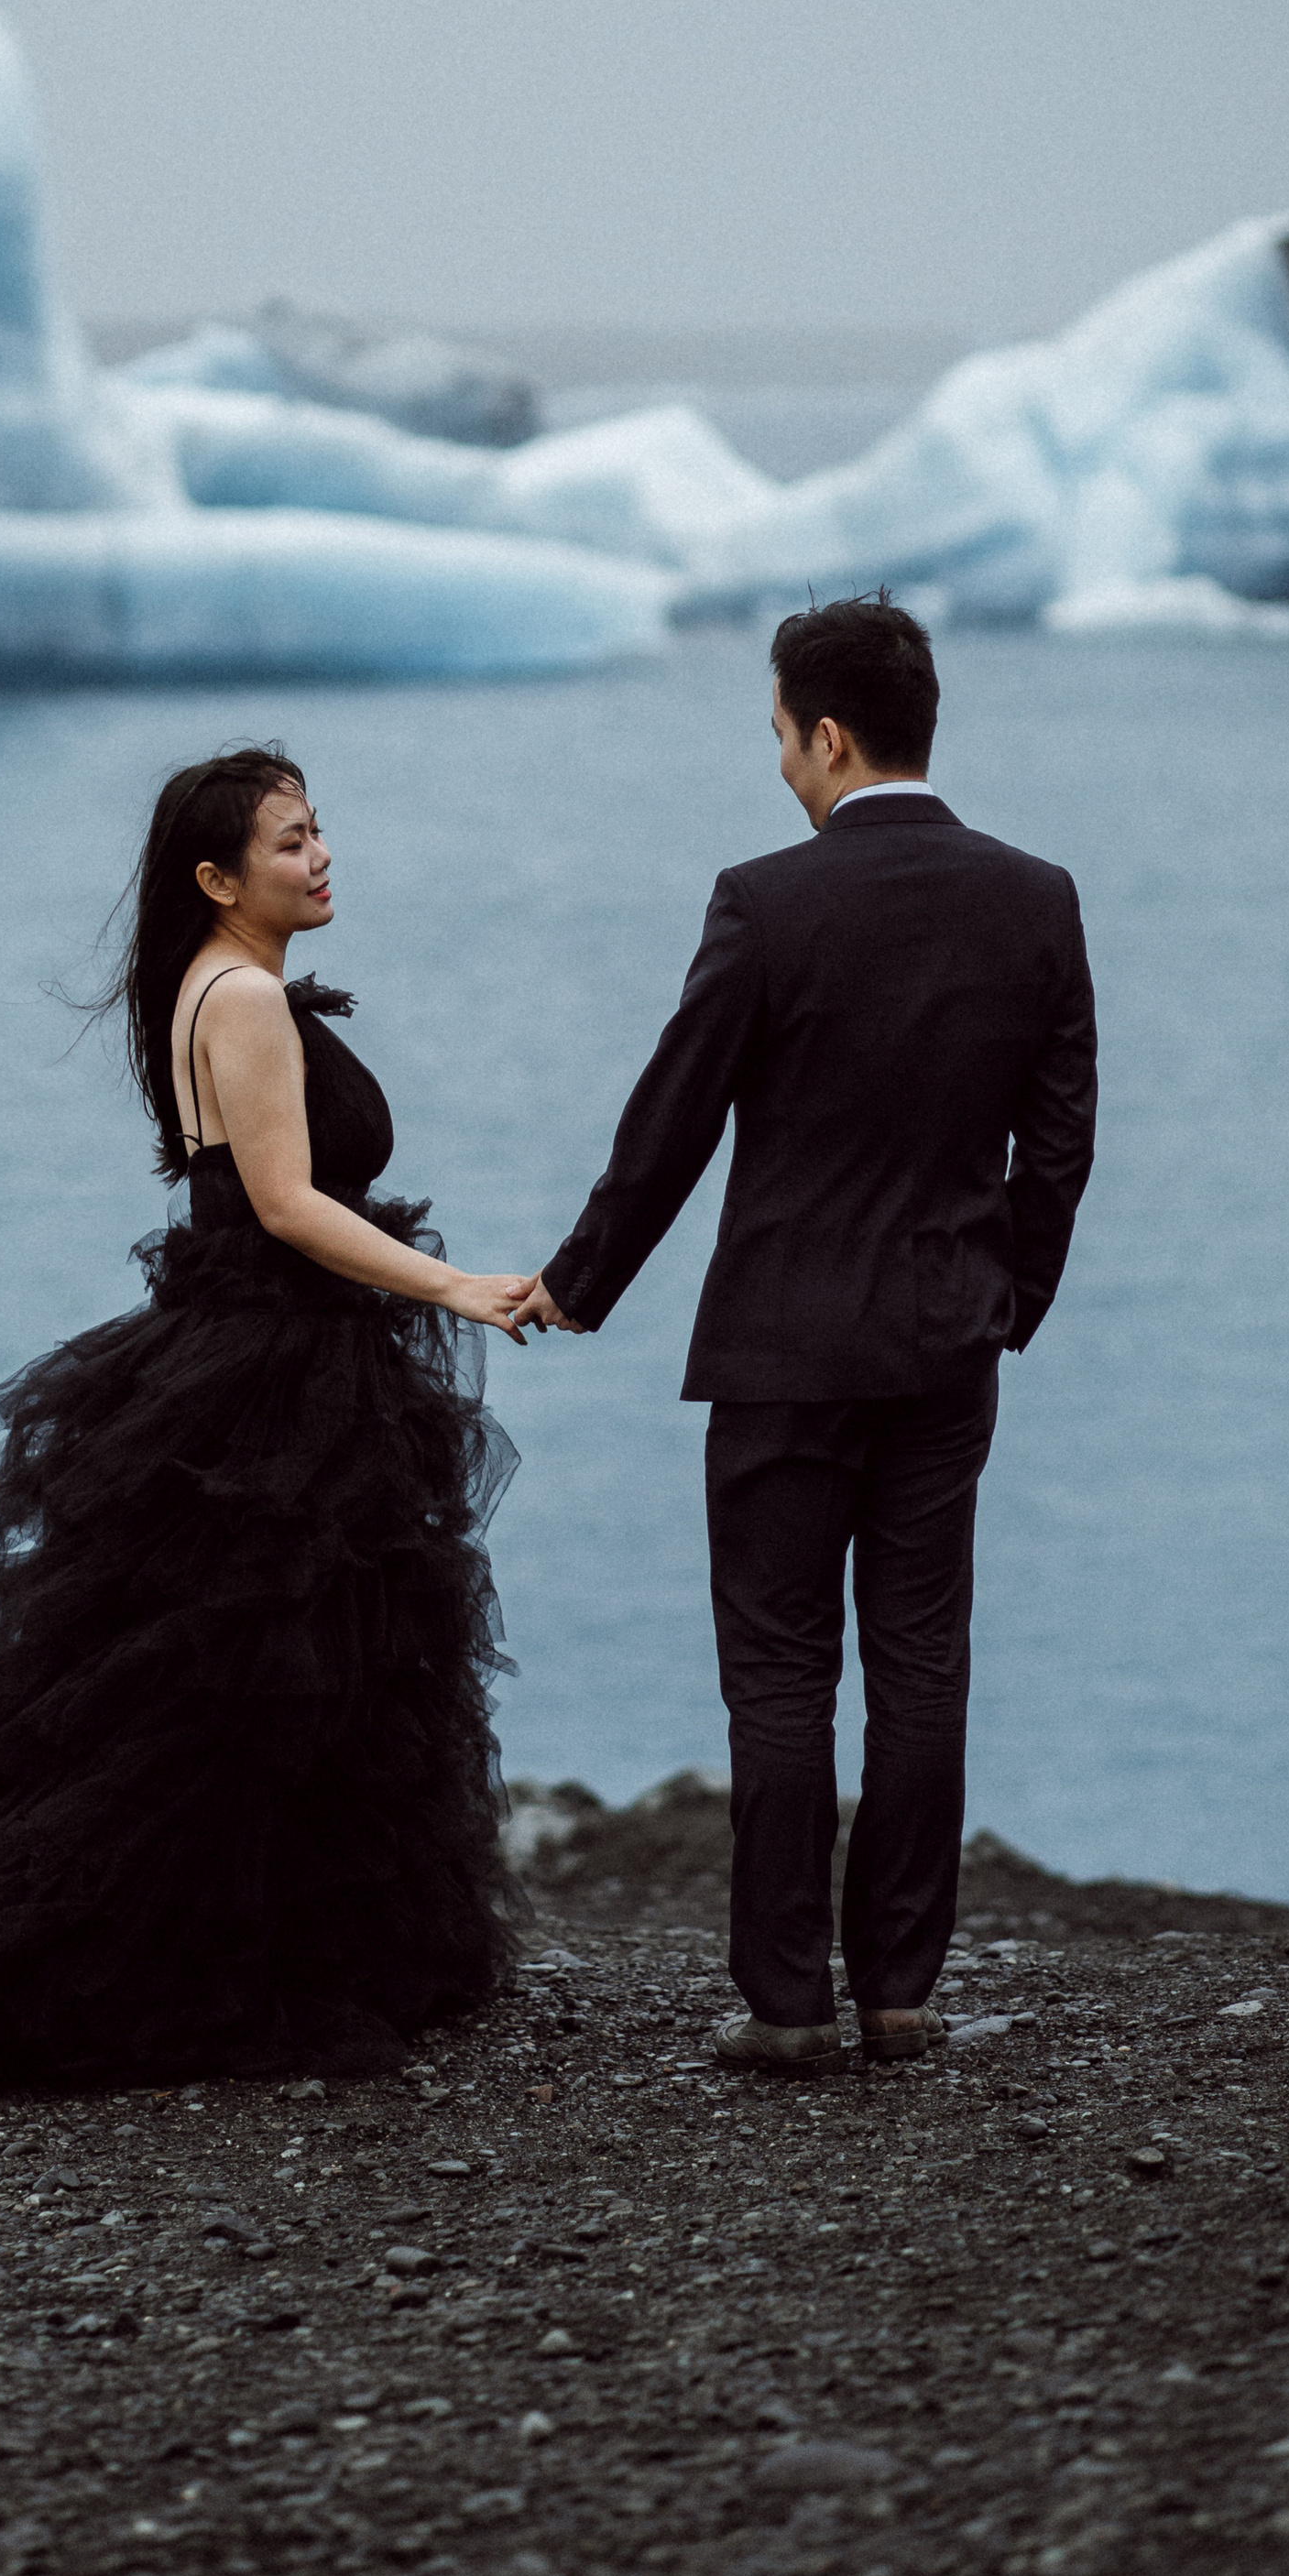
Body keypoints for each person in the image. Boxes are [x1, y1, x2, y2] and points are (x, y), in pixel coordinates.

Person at [0, 745, 533, 2089]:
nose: (320, 856)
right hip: (273, 1366)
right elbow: (293, 1208)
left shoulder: (223, 984)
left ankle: (288, 1952)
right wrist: (459, 1287)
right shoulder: (239, 996)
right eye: (291, 841)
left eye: (318, 832)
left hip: (257, 1349)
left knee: (261, 1678)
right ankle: (170, 1976)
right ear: (217, 877)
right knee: (240, 1685)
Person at [518, 596, 1096, 2075]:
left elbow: (673, 1120)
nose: (778, 764)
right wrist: (1009, 1300)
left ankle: (786, 2007)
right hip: (947, 1345)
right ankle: (900, 1992)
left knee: (778, 1671)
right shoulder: (1037, 897)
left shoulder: (764, 902)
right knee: (920, 1661)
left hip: (783, 1351)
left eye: (780, 735)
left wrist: (578, 1283)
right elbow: (1062, 1139)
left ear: (830, 734)